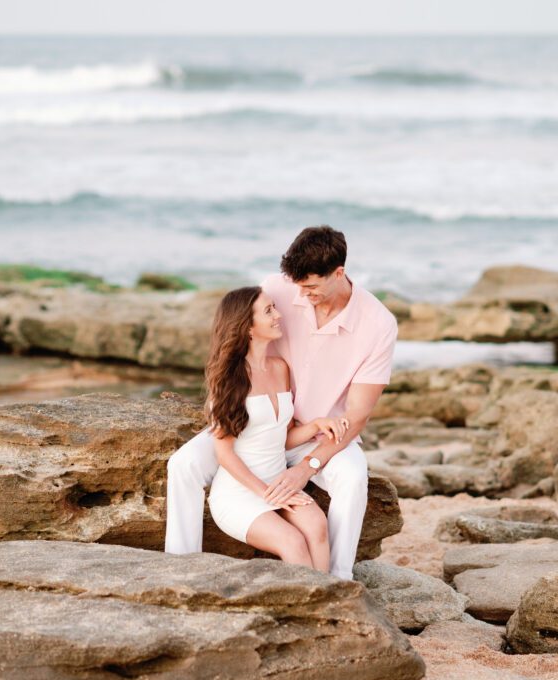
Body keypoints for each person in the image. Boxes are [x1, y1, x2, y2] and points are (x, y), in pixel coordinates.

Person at [165, 225, 399, 580]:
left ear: (339, 274)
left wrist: (307, 466)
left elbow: (358, 415)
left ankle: (338, 578)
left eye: (311, 287)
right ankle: (179, 567)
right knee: (183, 464)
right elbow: (235, 333)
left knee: (352, 479)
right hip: (258, 426)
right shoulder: (276, 290)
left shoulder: (378, 324)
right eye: (297, 287)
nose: (302, 296)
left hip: (321, 434)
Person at [204, 286, 349, 570]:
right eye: (269, 311)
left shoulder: (280, 368)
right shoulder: (228, 381)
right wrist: (264, 492)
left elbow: (280, 439)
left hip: (276, 481)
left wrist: (316, 425)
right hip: (239, 492)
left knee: (318, 525)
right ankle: (310, 610)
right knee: (292, 541)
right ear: (247, 327)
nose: (278, 315)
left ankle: (330, 603)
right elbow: (225, 455)